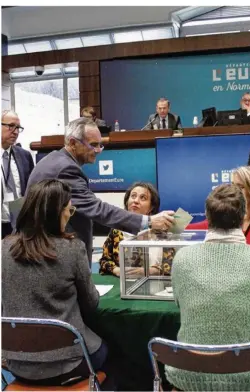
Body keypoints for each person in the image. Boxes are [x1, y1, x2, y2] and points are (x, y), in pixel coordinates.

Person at [168, 184, 250, 391]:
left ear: (208, 216)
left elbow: (179, 303)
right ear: (243, 216)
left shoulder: (181, 259)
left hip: (189, 377)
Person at [2, 179, 113, 389]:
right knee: (114, 351)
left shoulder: (3, 248)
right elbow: (91, 303)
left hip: (16, 363)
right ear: (56, 212)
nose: (69, 216)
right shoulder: (72, 249)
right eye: (69, 210)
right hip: (69, 363)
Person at [27, 117, 175, 265]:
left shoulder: (56, 160)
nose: (98, 150)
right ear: (73, 143)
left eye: (100, 145)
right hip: (51, 256)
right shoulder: (66, 169)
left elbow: (86, 212)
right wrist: (148, 221)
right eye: (93, 145)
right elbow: (96, 209)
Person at [186, 166, 250, 272]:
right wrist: (171, 219)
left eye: (240, 187)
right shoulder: (225, 215)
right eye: (233, 185)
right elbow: (188, 230)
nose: (234, 191)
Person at [99, 182, 175, 277]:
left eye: (143, 198)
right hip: (125, 286)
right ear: (127, 202)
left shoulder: (162, 230)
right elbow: (104, 260)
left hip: (157, 286)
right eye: (133, 196)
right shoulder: (117, 230)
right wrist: (117, 270)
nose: (136, 201)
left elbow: (175, 264)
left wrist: (152, 271)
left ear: (151, 207)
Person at [1, 110, 34, 239]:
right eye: (11, 126)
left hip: (20, 225)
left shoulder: (24, 156)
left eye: (18, 128)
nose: (15, 131)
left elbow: (31, 189)